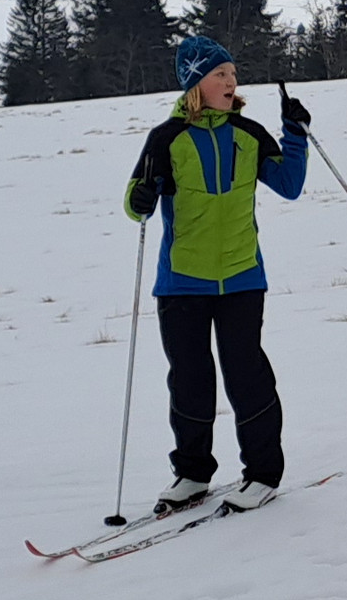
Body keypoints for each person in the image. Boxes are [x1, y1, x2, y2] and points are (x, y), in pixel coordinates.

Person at [124, 37, 309, 515]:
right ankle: (192, 473)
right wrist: (140, 199)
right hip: (181, 281)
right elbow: (136, 202)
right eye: (220, 74)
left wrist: (295, 133)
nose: (231, 81)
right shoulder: (166, 139)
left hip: (242, 277)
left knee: (247, 376)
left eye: (232, 73)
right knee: (190, 380)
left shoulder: (249, 133)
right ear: (195, 84)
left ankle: (263, 473)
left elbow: (289, 185)